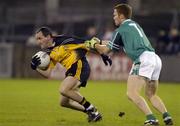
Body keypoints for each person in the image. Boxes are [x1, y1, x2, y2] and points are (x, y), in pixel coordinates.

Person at [85, 4, 173, 126]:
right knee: (151, 94)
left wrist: (94, 45)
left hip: (143, 59)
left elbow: (106, 51)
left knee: (131, 93)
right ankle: (167, 117)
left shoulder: (120, 30)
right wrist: (99, 42)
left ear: (121, 16)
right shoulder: (133, 25)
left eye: (115, 15)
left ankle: (151, 119)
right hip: (155, 58)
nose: (113, 17)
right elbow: (114, 43)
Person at [30, 27, 112, 122]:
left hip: (79, 66)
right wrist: (35, 67)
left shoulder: (65, 41)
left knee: (63, 89)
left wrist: (103, 53)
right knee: (64, 103)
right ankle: (91, 112)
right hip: (71, 70)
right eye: (37, 39)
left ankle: (91, 108)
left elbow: (89, 43)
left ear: (48, 37)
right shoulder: (49, 52)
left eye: (40, 38)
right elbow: (47, 74)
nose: (38, 42)